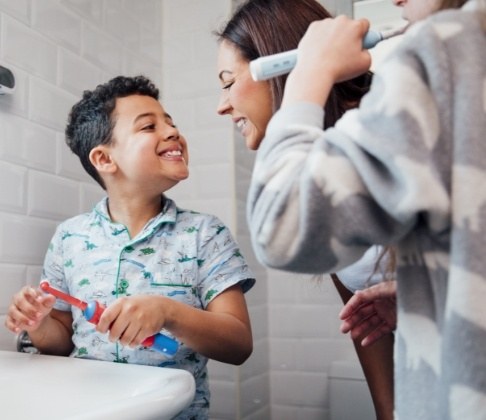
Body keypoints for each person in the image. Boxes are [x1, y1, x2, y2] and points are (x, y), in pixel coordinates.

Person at [246, 0, 486, 418]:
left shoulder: (447, 46)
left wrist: (309, 72)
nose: (396, 0)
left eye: (228, 82)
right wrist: (425, 292)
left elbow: (280, 227)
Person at [5, 75, 255, 419]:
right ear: (105, 159)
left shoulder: (205, 234)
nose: (171, 132)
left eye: (171, 122)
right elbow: (61, 342)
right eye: (148, 126)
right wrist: (40, 324)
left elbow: (239, 344)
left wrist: (168, 312)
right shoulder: (69, 238)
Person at [215, 1, 394, 419]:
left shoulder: (384, 128)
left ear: (281, 65)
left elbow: (277, 235)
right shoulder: (321, 166)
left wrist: (309, 74)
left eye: (228, 82)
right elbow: (368, 324)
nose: (221, 105)